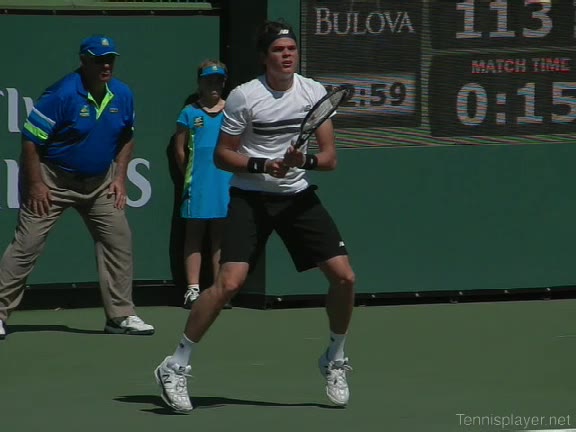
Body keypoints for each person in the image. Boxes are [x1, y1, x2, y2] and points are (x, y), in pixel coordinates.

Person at [154, 20, 355, 412]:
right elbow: (222, 155)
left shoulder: (313, 92)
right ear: (264, 57)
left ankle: (335, 357)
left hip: (296, 197)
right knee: (229, 282)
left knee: (344, 277)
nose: (286, 55)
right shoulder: (245, 97)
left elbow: (330, 159)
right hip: (250, 197)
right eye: (278, 50)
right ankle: (175, 365)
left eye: (291, 49)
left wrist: (302, 161)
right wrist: (263, 165)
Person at [0, 35, 154, 340]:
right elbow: (30, 142)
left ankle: (120, 316)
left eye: (110, 59)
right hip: (51, 180)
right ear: (84, 61)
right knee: (27, 245)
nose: (106, 65)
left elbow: (127, 136)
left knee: (118, 241)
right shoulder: (61, 94)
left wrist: (119, 178)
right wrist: (36, 185)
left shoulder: (122, 94)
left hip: (99, 183)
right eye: (99, 60)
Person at [173, 60, 232, 309]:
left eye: (219, 80)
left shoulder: (232, 111)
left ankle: (219, 289)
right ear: (200, 82)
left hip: (225, 180)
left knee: (220, 236)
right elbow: (179, 150)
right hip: (197, 182)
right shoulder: (189, 113)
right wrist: (190, 175)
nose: (214, 84)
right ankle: (193, 290)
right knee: (194, 234)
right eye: (209, 79)